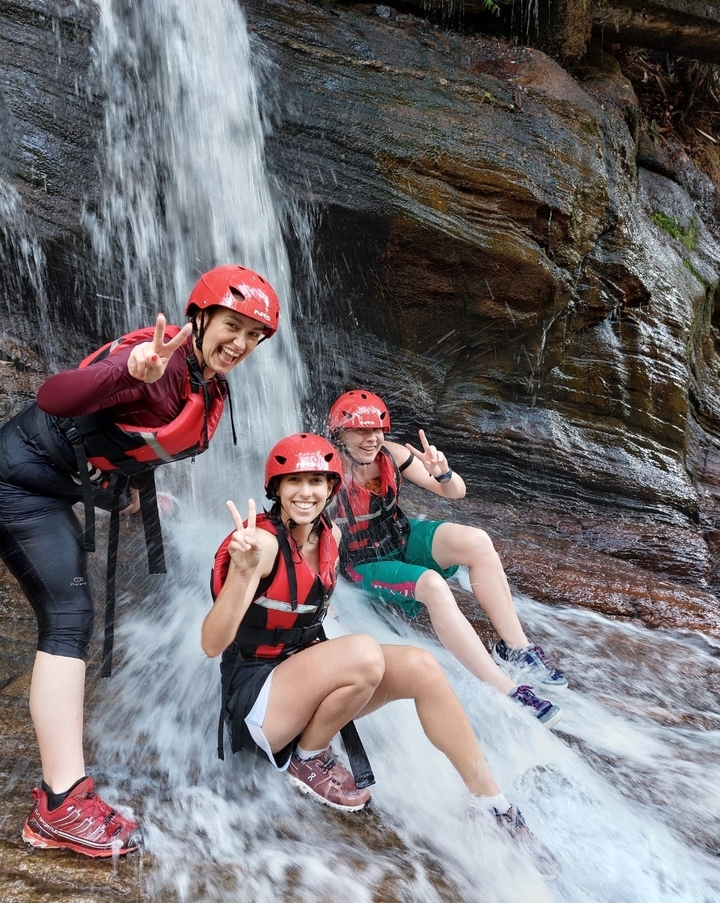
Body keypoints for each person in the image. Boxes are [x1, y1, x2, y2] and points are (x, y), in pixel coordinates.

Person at [0, 264, 280, 859]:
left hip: (58, 487)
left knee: (70, 616)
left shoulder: (205, 381)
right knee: (69, 618)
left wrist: (128, 495)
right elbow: (56, 398)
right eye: (233, 326)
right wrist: (126, 371)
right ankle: (60, 807)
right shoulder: (153, 359)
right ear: (200, 317)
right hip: (19, 483)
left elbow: (120, 440)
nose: (242, 344)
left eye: (254, 336)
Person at [202, 433, 561, 881]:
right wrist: (241, 573)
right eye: (295, 481)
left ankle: (494, 806)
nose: (306, 492)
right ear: (276, 487)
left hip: (295, 686)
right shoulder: (263, 544)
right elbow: (212, 644)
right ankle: (308, 759)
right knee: (366, 654)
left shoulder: (328, 536)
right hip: (256, 706)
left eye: (317, 480)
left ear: (332, 487)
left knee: (421, 668)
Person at [326, 390, 568, 728]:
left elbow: (455, 492)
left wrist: (442, 472)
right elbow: (315, 538)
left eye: (377, 430)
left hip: (401, 537)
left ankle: (516, 648)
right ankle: (507, 690)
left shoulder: (392, 454)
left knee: (478, 541)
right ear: (339, 434)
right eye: (360, 431)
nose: (371, 439)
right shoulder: (328, 473)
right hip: (361, 564)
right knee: (434, 586)